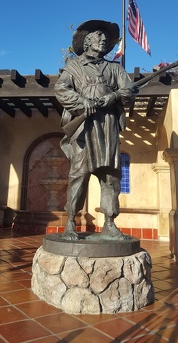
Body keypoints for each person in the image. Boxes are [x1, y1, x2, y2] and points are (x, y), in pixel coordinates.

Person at [54, 19, 136, 240]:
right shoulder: (73, 66)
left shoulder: (114, 68)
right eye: (99, 36)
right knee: (79, 175)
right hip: (83, 127)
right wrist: (82, 102)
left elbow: (129, 91)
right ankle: (70, 222)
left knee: (110, 176)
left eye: (105, 38)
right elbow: (61, 89)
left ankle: (109, 223)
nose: (104, 40)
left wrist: (115, 96)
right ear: (88, 41)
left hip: (107, 126)